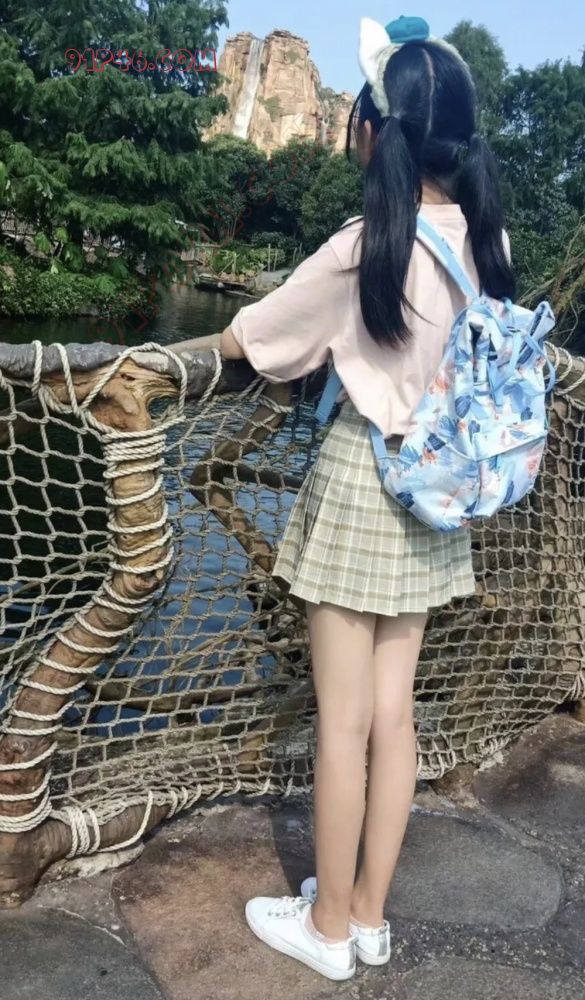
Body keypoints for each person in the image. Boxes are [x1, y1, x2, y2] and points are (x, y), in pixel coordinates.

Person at [186, 14, 515, 982]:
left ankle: (326, 927)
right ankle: (368, 913)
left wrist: (165, 360)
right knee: (393, 716)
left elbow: (255, 338)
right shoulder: (484, 239)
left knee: (340, 724)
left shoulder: (369, 244)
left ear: (375, 131)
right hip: (438, 493)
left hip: (363, 482)